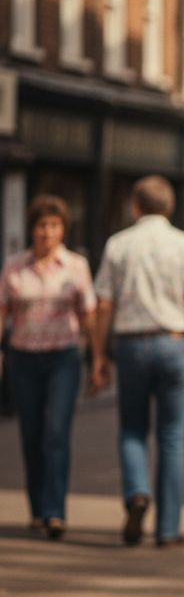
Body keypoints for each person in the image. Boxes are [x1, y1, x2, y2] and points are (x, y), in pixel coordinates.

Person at [91, 176, 184, 548]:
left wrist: (98, 355)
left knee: (132, 429)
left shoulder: (118, 244)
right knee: (172, 436)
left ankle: (137, 492)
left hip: (131, 345)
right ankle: (168, 528)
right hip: (174, 343)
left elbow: (103, 305)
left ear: (135, 207)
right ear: (170, 208)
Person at [0, 195, 95, 540]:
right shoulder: (14, 266)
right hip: (23, 356)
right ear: (32, 229)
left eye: (54, 226)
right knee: (31, 433)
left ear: (62, 230)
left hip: (62, 357)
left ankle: (56, 511)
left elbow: (89, 314)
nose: (47, 232)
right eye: (42, 226)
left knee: (55, 432)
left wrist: (97, 358)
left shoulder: (76, 266)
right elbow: (2, 311)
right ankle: (38, 508)